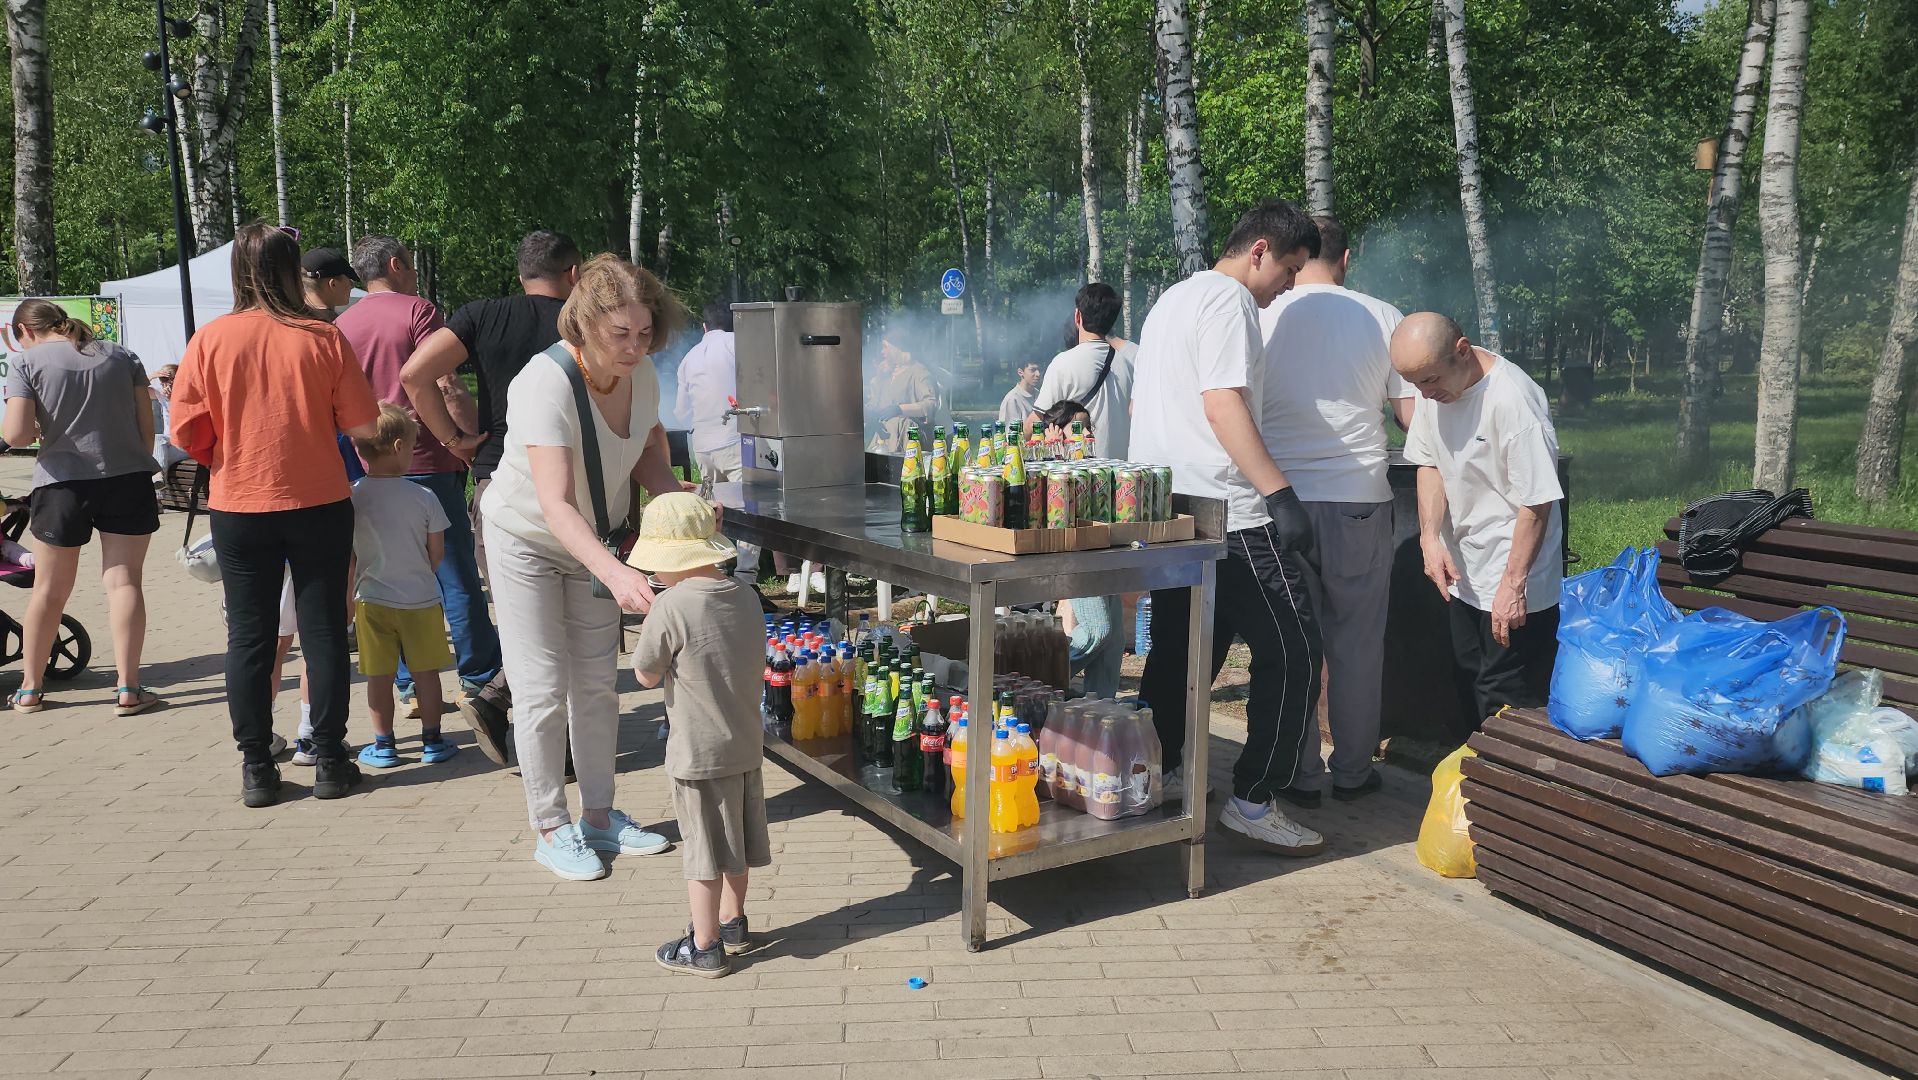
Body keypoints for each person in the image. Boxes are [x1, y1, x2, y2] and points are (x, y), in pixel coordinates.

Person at [480, 254, 685, 880]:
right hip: (528, 540)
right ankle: (550, 825)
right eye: (621, 334)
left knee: (597, 683)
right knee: (541, 686)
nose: (635, 347)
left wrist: (682, 507)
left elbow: (644, 456)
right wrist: (620, 574)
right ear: (585, 326)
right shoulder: (543, 382)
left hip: (593, 542)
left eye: (644, 333)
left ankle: (599, 816)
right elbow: (555, 504)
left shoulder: (641, 375)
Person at [1132, 198, 1326, 857]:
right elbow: (1222, 404)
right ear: (1260, 251)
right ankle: (1254, 799)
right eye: (1290, 269)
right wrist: (1280, 495)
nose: (1289, 286)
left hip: (1168, 507)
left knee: (1183, 648)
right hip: (1230, 514)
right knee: (1294, 649)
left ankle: (1164, 773)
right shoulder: (1229, 300)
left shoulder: (1170, 301)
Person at [170, 223, 382, 808]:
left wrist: (229, 453)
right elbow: (363, 424)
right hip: (319, 500)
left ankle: (257, 767)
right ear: (294, 272)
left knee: (250, 636)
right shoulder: (323, 337)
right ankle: (331, 759)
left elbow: (186, 431)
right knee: (324, 631)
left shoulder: (210, 339)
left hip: (240, 502)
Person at [402, 229, 581, 764]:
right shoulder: (582, 322)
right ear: (573, 274)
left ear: (521, 273)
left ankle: (507, 707)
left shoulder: (482, 315)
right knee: (570, 620)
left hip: (498, 475)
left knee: (526, 619)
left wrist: (453, 440)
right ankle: (545, 741)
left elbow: (415, 374)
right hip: (573, 482)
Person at [1256, 215, 1416, 804]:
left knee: (1293, 640)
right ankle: (1352, 770)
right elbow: (1411, 417)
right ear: (1347, 258)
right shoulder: (1383, 316)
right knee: (1357, 642)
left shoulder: (1264, 314)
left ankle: (1300, 774)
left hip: (1279, 501)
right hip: (1359, 501)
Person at [337, 235, 499, 712]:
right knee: (454, 572)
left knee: (388, 573)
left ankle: (409, 684)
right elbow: (445, 382)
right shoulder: (417, 311)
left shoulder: (342, 324)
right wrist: (465, 439)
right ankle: (478, 676)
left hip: (368, 465)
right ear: (396, 265)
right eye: (409, 264)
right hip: (424, 457)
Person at [1391, 312, 1564, 730]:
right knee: (1469, 676)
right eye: (1414, 384)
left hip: (1515, 575)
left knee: (1507, 698)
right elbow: (1429, 462)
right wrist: (1429, 538)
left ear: (1463, 350)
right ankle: (1474, 767)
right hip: (1466, 569)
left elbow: (1537, 501)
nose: (1424, 394)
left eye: (1430, 380)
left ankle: (1509, 771)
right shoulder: (1434, 392)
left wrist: (1513, 585)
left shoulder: (1512, 400)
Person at [628, 493, 768, 977]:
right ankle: (733, 921)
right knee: (737, 842)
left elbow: (645, 674)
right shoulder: (745, 593)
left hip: (697, 751)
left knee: (703, 850)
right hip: (745, 741)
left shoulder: (670, 605)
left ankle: (704, 945)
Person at [2, 299, 161, 716]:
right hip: (127, 479)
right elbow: (147, 432)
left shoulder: (25, 364)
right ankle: (129, 689)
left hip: (61, 485)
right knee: (124, 582)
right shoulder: (123, 356)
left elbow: (16, 435)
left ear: (25, 331)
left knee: (49, 590)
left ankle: (30, 690)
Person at [1030, 283, 1138, 697]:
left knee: (1103, 633)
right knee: (1103, 629)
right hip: (1119, 502)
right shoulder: (1127, 363)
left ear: (1078, 317)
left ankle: (1073, 703)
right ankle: (1036, 687)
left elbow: (1034, 427)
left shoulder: (1063, 364)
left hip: (1073, 506)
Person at [348, 403, 459, 768]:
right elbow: (436, 552)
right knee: (426, 673)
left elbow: (350, 555)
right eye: (412, 447)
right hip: (420, 599)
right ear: (398, 447)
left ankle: (384, 745)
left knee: (378, 676)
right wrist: (420, 571)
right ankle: (432, 741)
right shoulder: (424, 497)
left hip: (371, 600)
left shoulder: (353, 496)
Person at [676, 301, 764, 587]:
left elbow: (681, 412)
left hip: (702, 445)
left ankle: (715, 572)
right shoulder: (737, 344)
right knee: (750, 507)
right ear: (733, 324)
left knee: (711, 508)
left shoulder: (688, 358)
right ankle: (746, 578)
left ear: (704, 327)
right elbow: (760, 383)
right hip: (735, 441)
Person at [866, 333, 940, 454]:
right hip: (885, 437)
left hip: (910, 435)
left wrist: (900, 409)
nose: (882, 352)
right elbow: (874, 405)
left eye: (885, 347)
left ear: (897, 347)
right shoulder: (888, 374)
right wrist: (879, 377)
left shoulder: (918, 372)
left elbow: (931, 404)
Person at [998, 361, 1041, 425]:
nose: (1038, 374)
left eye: (1039, 370)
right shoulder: (1012, 399)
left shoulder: (1040, 395)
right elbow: (1009, 430)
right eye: (1032, 370)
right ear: (1020, 372)